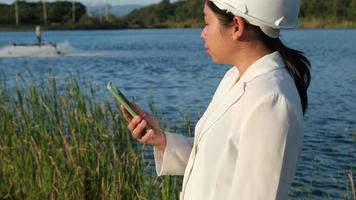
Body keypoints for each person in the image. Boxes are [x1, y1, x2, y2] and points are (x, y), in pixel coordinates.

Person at [120, 0, 311, 199]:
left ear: (237, 26)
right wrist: (162, 141)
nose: (202, 33)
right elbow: (219, 160)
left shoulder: (271, 100)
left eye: (207, 22)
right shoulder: (234, 77)